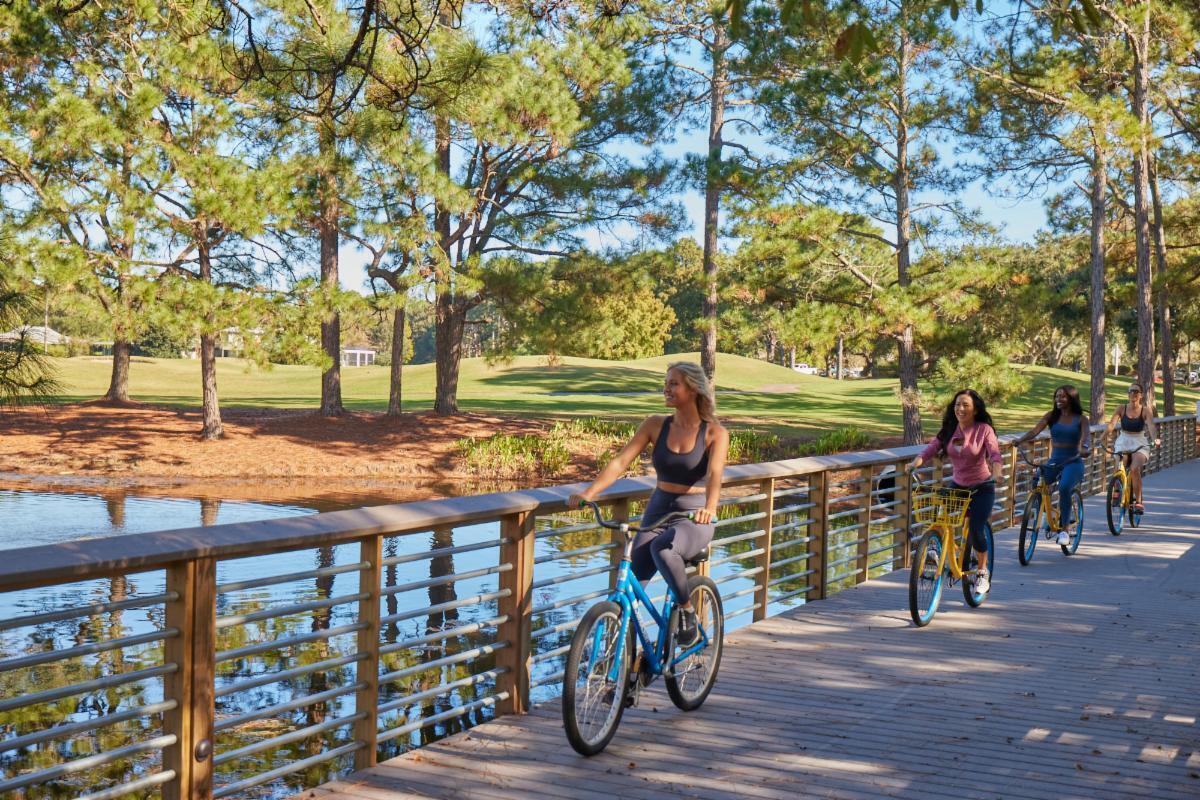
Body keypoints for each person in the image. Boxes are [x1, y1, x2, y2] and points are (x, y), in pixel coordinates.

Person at [568, 362, 730, 647]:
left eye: (673, 384)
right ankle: (624, 674)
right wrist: (588, 493)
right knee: (628, 589)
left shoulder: (714, 433)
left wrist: (711, 507)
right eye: (665, 383)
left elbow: (716, 474)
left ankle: (687, 612)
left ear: (692, 388)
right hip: (657, 510)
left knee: (663, 549)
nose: (666, 389)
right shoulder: (655, 424)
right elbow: (620, 463)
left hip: (693, 517)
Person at [906, 389, 1003, 595]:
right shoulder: (950, 429)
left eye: (966, 405)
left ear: (975, 409)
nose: (960, 408)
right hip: (958, 485)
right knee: (939, 518)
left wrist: (997, 472)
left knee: (976, 528)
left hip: (982, 487)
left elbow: (994, 453)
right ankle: (934, 548)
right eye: (958, 404)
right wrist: (915, 462)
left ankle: (982, 573)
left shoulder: (984, 429)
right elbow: (930, 449)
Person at [1015, 385, 1091, 545]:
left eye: (1062, 396)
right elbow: (1034, 431)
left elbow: (1085, 437)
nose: (1058, 399)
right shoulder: (1051, 416)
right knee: (1037, 481)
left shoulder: (1082, 419)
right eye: (1056, 396)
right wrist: (1020, 440)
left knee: (1064, 488)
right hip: (1055, 461)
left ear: (1071, 398)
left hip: (1073, 461)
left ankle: (1064, 530)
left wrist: (1083, 448)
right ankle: (1044, 513)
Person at [1105, 382, 1159, 513]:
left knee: (1134, 469)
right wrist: (1101, 438)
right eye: (1130, 391)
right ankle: (1117, 490)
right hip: (1123, 440)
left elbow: (1151, 426)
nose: (1133, 394)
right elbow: (1112, 424)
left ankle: (1139, 502)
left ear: (1141, 395)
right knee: (1120, 463)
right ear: (1127, 394)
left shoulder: (1145, 410)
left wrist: (1155, 439)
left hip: (1139, 441)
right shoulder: (1121, 408)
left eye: (1136, 391)